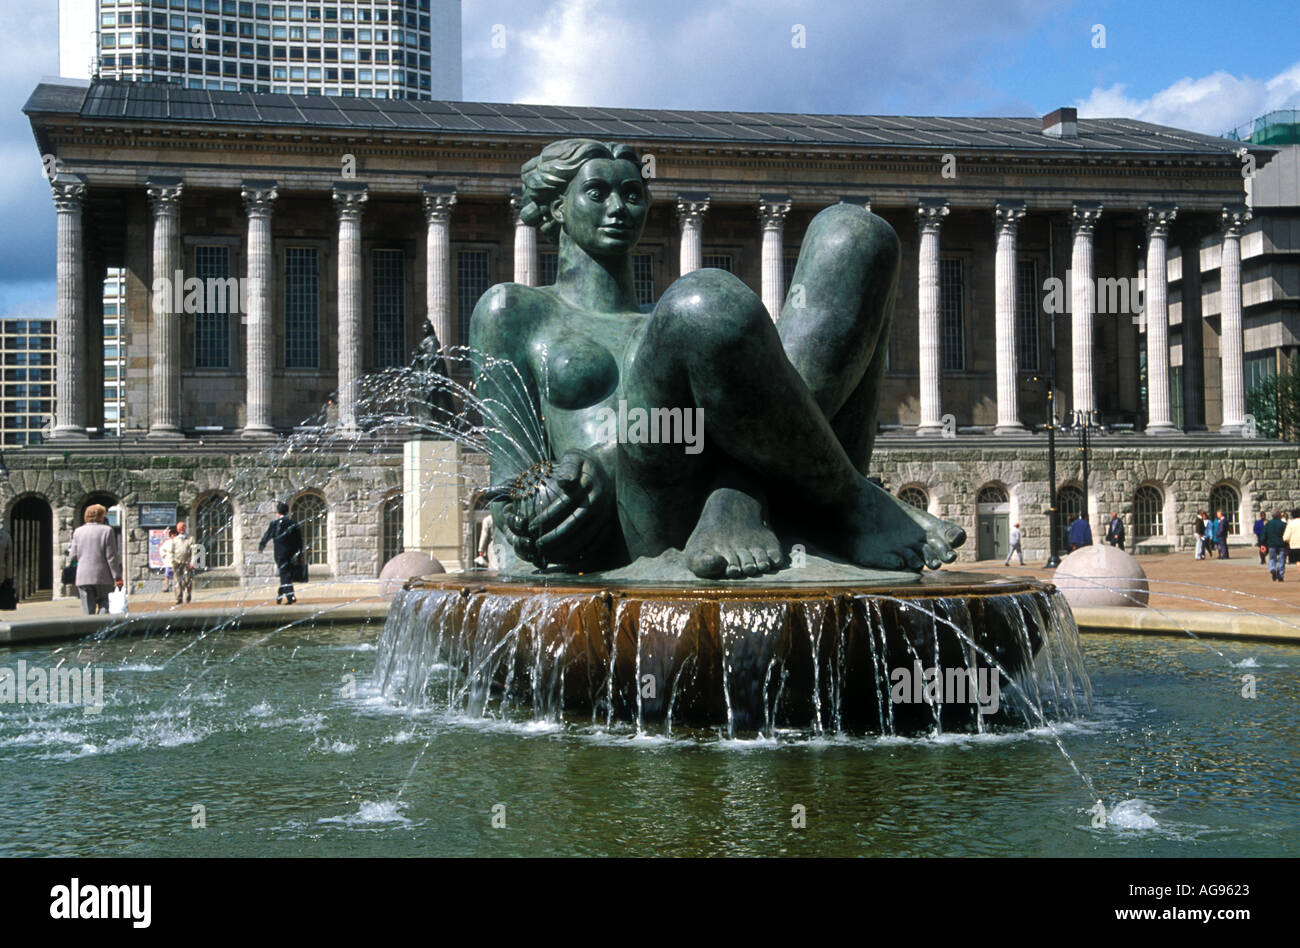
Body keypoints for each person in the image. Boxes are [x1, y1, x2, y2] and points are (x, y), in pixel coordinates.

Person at [470, 138, 965, 580]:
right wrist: (538, 521)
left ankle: (735, 499)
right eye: (597, 193)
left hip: (747, 469)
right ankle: (841, 499)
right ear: (556, 206)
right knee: (700, 303)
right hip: (630, 515)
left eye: (633, 194)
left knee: (855, 232)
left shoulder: (663, 324)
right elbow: (511, 491)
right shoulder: (514, 311)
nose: (619, 207)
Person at [68, 503, 122, 615]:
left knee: (87, 609)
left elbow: (72, 556)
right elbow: (111, 556)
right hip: (103, 576)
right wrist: (117, 576)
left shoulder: (78, 531)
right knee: (105, 603)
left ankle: (89, 629)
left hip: (83, 576)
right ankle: (101, 628)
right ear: (101, 516)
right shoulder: (107, 531)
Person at [259, 502, 304, 604]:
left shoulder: (274, 524)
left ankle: (289, 597)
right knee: (286, 574)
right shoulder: (293, 524)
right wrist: (300, 554)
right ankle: (282, 594)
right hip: (291, 553)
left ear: (278, 512)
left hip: (279, 553)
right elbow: (299, 541)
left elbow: (268, 535)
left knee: (285, 574)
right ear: (287, 512)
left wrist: (262, 546)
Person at [165, 521, 195, 605]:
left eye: (183, 527)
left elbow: (194, 551)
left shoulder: (190, 539)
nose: (181, 529)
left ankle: (188, 594)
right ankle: (179, 598)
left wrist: (192, 562)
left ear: (185, 528)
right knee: (177, 581)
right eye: (180, 528)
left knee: (187, 580)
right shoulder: (175, 540)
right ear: (177, 530)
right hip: (177, 563)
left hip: (187, 562)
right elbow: (171, 551)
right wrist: (172, 561)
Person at [1262, 509, 1287, 582]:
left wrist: (1262, 544)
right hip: (1281, 544)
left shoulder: (1268, 524)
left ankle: (1272, 569)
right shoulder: (1283, 524)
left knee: (1272, 558)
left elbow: (1263, 535)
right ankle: (1280, 575)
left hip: (1271, 544)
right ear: (1279, 515)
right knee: (1281, 560)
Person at [160, 525, 177, 592]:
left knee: (176, 575)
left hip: (176, 561)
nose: (174, 536)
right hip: (168, 562)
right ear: (171, 535)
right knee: (167, 576)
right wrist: (164, 555)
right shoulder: (167, 543)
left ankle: (176, 587)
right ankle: (166, 587)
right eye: (173, 535)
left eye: (175, 535)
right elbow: (162, 549)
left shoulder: (178, 542)